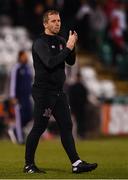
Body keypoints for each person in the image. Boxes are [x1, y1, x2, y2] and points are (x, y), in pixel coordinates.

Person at [24, 10, 98, 174]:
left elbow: (70, 61)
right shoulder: (39, 42)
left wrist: (72, 46)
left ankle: (76, 163)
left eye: (58, 20)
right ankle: (29, 165)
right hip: (43, 92)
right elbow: (50, 63)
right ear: (45, 24)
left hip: (58, 92)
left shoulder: (61, 40)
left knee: (66, 125)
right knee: (39, 127)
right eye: (53, 21)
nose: (57, 23)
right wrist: (68, 47)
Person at [10, 50, 33, 144]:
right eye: (24, 56)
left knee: (28, 116)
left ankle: (14, 130)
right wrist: (13, 96)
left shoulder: (28, 68)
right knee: (19, 118)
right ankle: (20, 139)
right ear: (20, 57)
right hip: (19, 97)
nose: (26, 57)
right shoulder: (17, 68)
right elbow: (13, 82)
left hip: (27, 97)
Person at [68, 72, 88, 139]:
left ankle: (80, 135)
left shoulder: (82, 87)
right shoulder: (74, 87)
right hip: (76, 108)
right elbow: (71, 98)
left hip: (80, 108)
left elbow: (85, 98)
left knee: (80, 122)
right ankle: (75, 135)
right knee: (75, 122)